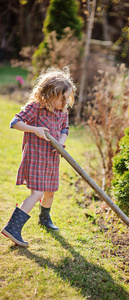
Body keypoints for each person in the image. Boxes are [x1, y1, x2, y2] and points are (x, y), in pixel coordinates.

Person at [1, 67, 76, 247]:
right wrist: (35, 130)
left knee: (50, 190)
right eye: (62, 98)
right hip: (35, 157)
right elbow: (15, 122)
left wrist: (61, 142)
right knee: (38, 192)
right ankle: (12, 228)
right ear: (49, 94)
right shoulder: (35, 107)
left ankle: (44, 218)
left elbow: (65, 129)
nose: (65, 102)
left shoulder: (62, 112)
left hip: (51, 158)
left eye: (67, 98)